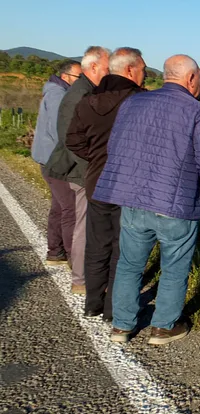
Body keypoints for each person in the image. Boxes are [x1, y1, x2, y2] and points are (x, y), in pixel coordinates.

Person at [66, 47, 200, 321]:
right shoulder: (198, 111)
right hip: (175, 202)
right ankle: (163, 326)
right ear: (191, 78)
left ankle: (120, 323)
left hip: (129, 197)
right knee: (174, 267)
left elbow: (116, 146)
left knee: (128, 263)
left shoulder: (133, 103)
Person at [44, 46, 110, 296]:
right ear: (93, 67)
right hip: (78, 171)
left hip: (80, 169)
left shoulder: (87, 91)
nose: (109, 72)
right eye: (106, 68)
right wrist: (91, 172)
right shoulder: (79, 95)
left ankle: (83, 274)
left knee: (80, 221)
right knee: (83, 223)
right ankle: (81, 279)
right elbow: (70, 140)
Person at [31, 60, 81, 267]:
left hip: (49, 159)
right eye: (79, 78)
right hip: (55, 161)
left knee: (59, 207)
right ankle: (73, 258)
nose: (81, 82)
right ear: (65, 77)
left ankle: (56, 251)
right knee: (71, 209)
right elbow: (61, 132)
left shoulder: (54, 92)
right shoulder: (59, 96)